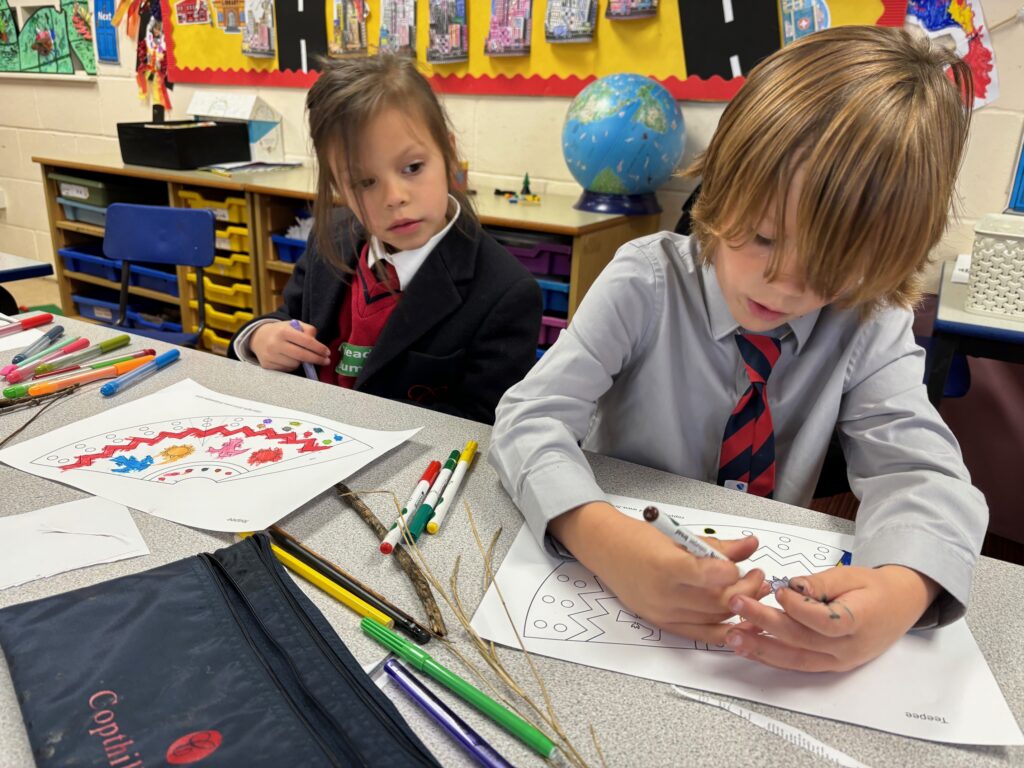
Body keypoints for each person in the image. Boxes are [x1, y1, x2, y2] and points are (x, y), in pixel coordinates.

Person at [489, 26, 988, 673]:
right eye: (762, 236)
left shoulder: (870, 319)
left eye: (835, 264)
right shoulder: (644, 280)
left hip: (751, 614)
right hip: (615, 593)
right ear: (723, 188)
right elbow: (530, 416)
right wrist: (604, 539)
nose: (786, 284)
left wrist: (902, 590)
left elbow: (918, 473)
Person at [230, 55, 542, 425]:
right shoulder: (330, 239)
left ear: (448, 153)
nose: (394, 196)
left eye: (412, 168)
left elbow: (483, 424)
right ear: (339, 187)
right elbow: (289, 319)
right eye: (365, 182)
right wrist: (260, 338)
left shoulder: (506, 292)